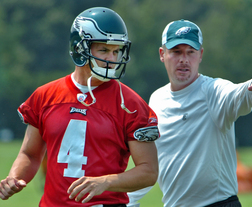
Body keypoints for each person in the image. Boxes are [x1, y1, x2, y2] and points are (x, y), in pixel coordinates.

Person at [0, 7, 159, 207]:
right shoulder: (45, 95)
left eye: (116, 51)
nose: (112, 58)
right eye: (104, 50)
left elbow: (149, 171)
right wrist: (15, 178)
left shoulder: (130, 104)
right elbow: (30, 154)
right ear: (79, 48)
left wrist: (106, 181)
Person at [128, 19, 252, 207]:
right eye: (176, 52)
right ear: (162, 54)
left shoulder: (213, 90)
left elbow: (238, 96)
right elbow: (153, 160)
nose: (184, 59)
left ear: (201, 55)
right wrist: (129, 201)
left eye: (191, 52)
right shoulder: (157, 99)